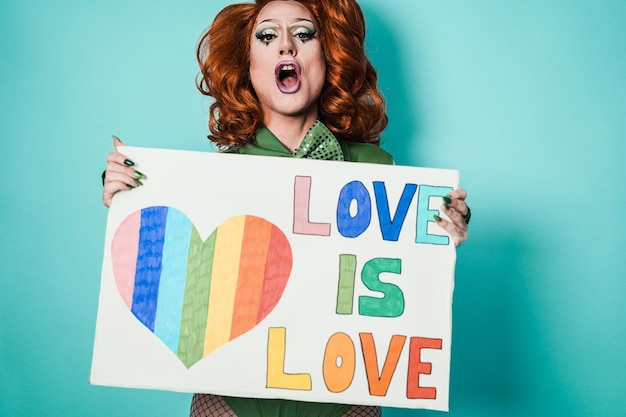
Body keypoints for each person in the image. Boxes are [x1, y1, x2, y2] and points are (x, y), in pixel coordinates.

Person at [102, 1, 471, 416]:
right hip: (230, 403)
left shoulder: (378, 172)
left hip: (345, 403)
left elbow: (402, 295)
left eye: (304, 33)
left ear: (328, 55)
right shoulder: (209, 178)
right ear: (248, 63)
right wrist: (130, 196)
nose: (286, 47)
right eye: (267, 35)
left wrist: (442, 237)